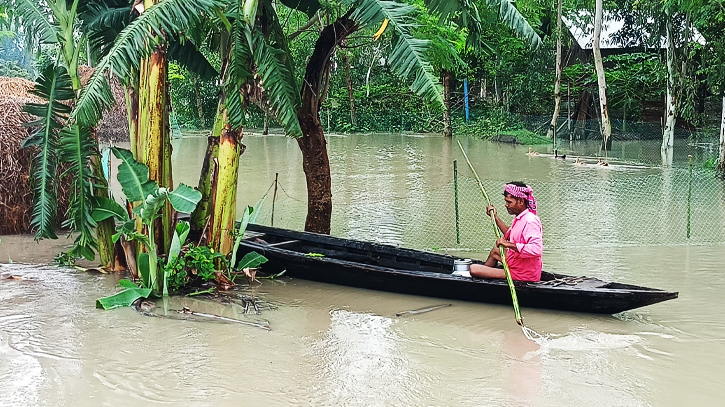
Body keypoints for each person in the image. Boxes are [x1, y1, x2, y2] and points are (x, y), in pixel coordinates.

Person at [470, 181, 543, 281]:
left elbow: (536, 249)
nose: (506, 205)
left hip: (522, 273)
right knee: (496, 250)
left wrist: (508, 245)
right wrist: (495, 217)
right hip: (516, 263)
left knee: (473, 269)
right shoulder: (520, 218)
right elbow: (510, 234)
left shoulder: (530, 221)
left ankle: (484, 274)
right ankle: (486, 278)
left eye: (509, 202)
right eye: (506, 201)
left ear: (521, 202)